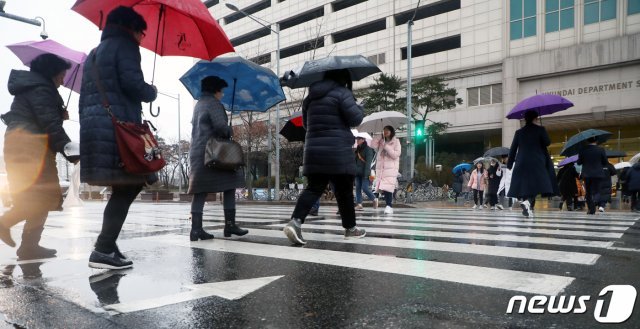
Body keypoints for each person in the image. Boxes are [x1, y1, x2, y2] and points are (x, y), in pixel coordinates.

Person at [79, 6, 158, 269]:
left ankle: (108, 247)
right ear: (131, 28)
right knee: (129, 185)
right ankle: (103, 248)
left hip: (96, 130)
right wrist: (151, 91)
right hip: (117, 130)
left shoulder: (92, 54)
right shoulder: (125, 47)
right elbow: (133, 86)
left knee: (123, 186)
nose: (141, 38)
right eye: (140, 33)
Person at [0, 53, 76, 259]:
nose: (63, 78)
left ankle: (30, 246)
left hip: (29, 148)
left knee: (45, 198)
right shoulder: (41, 89)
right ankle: (4, 223)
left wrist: (59, 115)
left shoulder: (40, 89)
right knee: (37, 199)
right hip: (29, 149)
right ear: (51, 72)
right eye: (62, 74)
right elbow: (49, 126)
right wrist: (71, 151)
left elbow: (45, 120)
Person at [283, 69, 365, 245]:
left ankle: (295, 222)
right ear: (343, 78)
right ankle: (350, 229)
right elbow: (355, 119)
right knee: (344, 191)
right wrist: (360, 107)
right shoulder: (342, 93)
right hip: (338, 150)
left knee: (314, 188)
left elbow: (306, 124)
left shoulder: (310, 98)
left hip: (314, 149)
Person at [187, 76, 248, 241]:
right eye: (221, 91)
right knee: (231, 182)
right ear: (216, 90)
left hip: (198, 153)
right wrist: (229, 129)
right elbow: (221, 128)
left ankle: (196, 229)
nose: (222, 94)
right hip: (213, 153)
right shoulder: (214, 104)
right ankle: (230, 225)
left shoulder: (199, 104)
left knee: (200, 191)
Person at [507, 110, 558, 217]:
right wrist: (542, 129)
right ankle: (527, 202)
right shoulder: (540, 130)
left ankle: (527, 206)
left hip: (521, 162)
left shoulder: (519, 132)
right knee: (538, 184)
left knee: (526, 185)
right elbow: (547, 142)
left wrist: (510, 164)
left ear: (525, 119)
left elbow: (513, 149)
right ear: (535, 118)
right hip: (537, 162)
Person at [370, 126, 402, 214]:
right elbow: (373, 145)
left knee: (388, 188)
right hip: (381, 168)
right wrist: (379, 137)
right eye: (384, 130)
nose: (386, 131)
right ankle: (380, 200)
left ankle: (389, 206)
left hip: (391, 168)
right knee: (381, 187)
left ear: (391, 131)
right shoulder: (381, 141)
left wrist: (386, 146)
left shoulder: (396, 141)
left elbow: (396, 155)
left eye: (388, 130)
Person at [577, 136, 607, 215]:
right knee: (597, 190)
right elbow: (605, 162)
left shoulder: (583, 150)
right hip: (598, 173)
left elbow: (579, 162)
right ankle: (595, 200)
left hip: (587, 174)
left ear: (587, 141)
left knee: (589, 192)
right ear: (596, 141)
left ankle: (591, 209)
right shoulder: (601, 150)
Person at [354, 136, 377, 210]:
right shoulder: (357, 150)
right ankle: (359, 204)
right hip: (357, 173)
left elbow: (368, 164)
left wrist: (366, 174)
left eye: (359, 139)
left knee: (365, 188)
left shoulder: (368, 150)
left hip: (365, 173)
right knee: (357, 188)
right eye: (357, 139)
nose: (357, 140)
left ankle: (374, 199)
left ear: (363, 140)